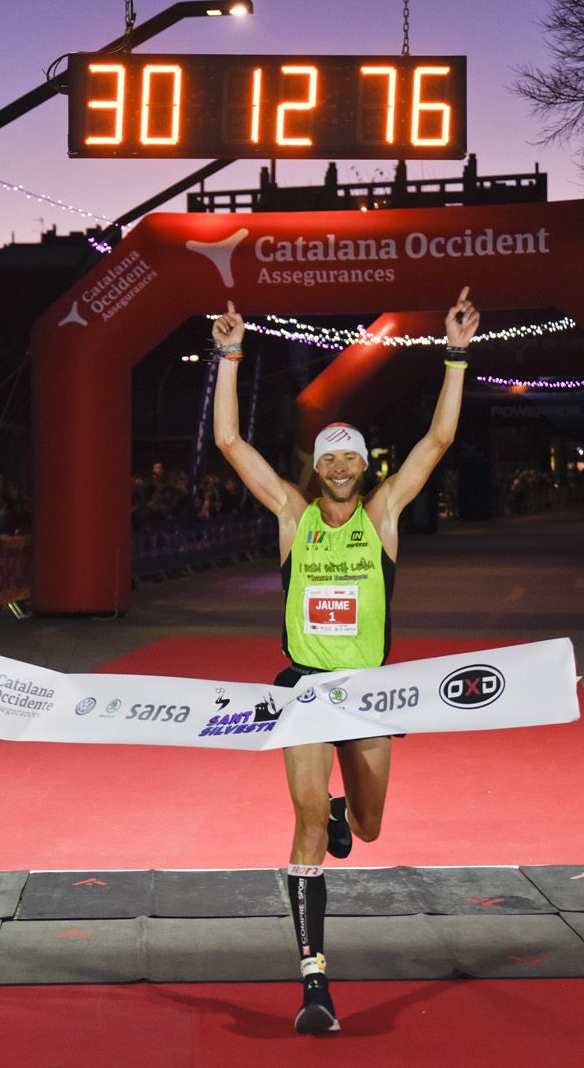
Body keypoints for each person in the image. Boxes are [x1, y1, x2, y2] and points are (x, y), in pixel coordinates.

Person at [212, 288, 478, 1035]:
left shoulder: (383, 515)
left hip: (370, 695)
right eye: (327, 452)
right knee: (302, 828)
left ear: (362, 468)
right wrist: (229, 355)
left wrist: (455, 354)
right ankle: (314, 983)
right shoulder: (293, 518)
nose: (336, 462)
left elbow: (438, 442)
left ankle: (339, 809)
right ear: (316, 464)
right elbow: (232, 444)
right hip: (304, 690)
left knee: (367, 828)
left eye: (349, 454)